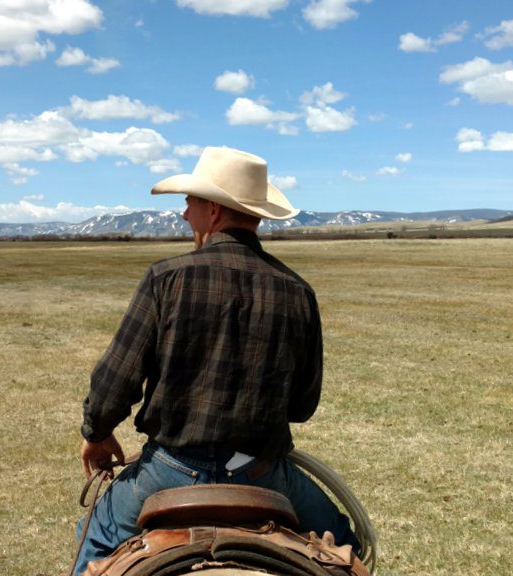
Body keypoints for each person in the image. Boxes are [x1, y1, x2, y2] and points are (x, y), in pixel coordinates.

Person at [74, 146, 359, 574]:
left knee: (95, 535)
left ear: (213, 209)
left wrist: (96, 433)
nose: (185, 215)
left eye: (189, 204)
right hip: (263, 475)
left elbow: (116, 380)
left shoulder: (166, 278)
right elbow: (302, 407)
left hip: (168, 470)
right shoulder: (298, 291)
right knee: (346, 543)